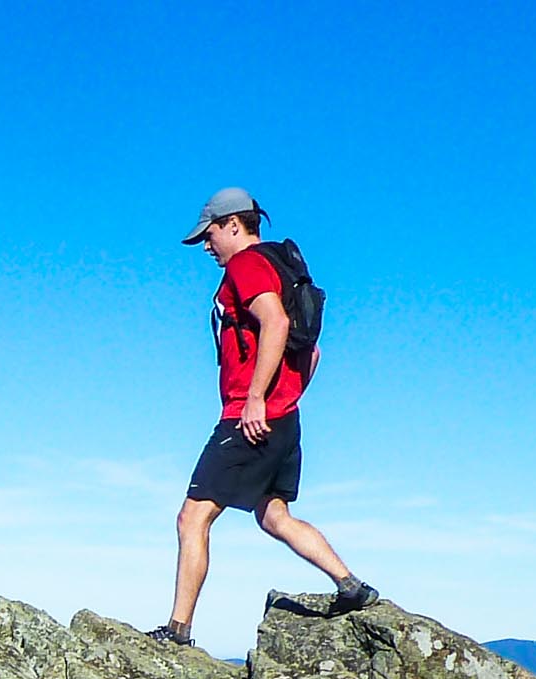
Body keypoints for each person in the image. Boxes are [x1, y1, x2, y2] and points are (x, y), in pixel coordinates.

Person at [148, 188, 377, 647]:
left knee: (192, 517)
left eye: (209, 235)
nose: (207, 246)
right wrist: (284, 400)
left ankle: (177, 631)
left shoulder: (247, 265)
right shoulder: (281, 268)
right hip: (285, 419)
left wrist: (256, 399)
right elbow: (312, 354)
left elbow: (276, 323)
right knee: (273, 515)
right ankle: (351, 586)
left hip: (248, 418)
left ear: (234, 223)